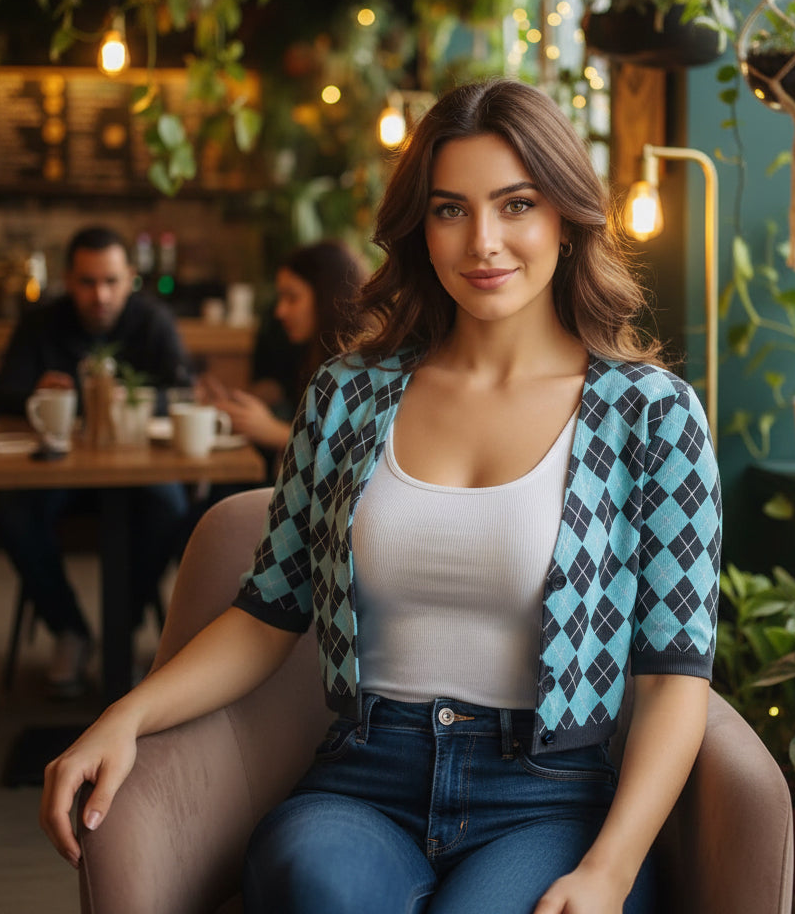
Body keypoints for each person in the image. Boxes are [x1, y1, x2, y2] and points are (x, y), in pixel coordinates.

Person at [40, 79, 721, 914]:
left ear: (566, 219)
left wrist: (610, 870)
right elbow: (266, 615)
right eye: (450, 210)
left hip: (549, 797)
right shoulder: (347, 395)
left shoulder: (651, 416)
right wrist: (125, 715)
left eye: (516, 204)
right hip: (366, 779)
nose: (485, 242)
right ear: (420, 230)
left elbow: (672, 679)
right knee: (314, 884)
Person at [0, 225, 193, 698]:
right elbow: (2, 397)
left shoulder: (152, 321)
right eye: (87, 282)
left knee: (170, 504)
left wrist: (135, 399)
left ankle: (120, 632)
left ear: (129, 279)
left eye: (111, 281)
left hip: (136, 472)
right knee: (11, 509)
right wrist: (38, 395)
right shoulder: (40, 323)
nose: (99, 294)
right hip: (59, 472)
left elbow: (183, 392)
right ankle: (71, 631)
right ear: (68, 279)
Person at [201, 240, 368, 456]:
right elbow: (279, 390)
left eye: (292, 297)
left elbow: (347, 450)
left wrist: (272, 430)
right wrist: (233, 403)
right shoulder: (306, 348)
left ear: (329, 298)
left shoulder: (360, 364)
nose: (280, 311)